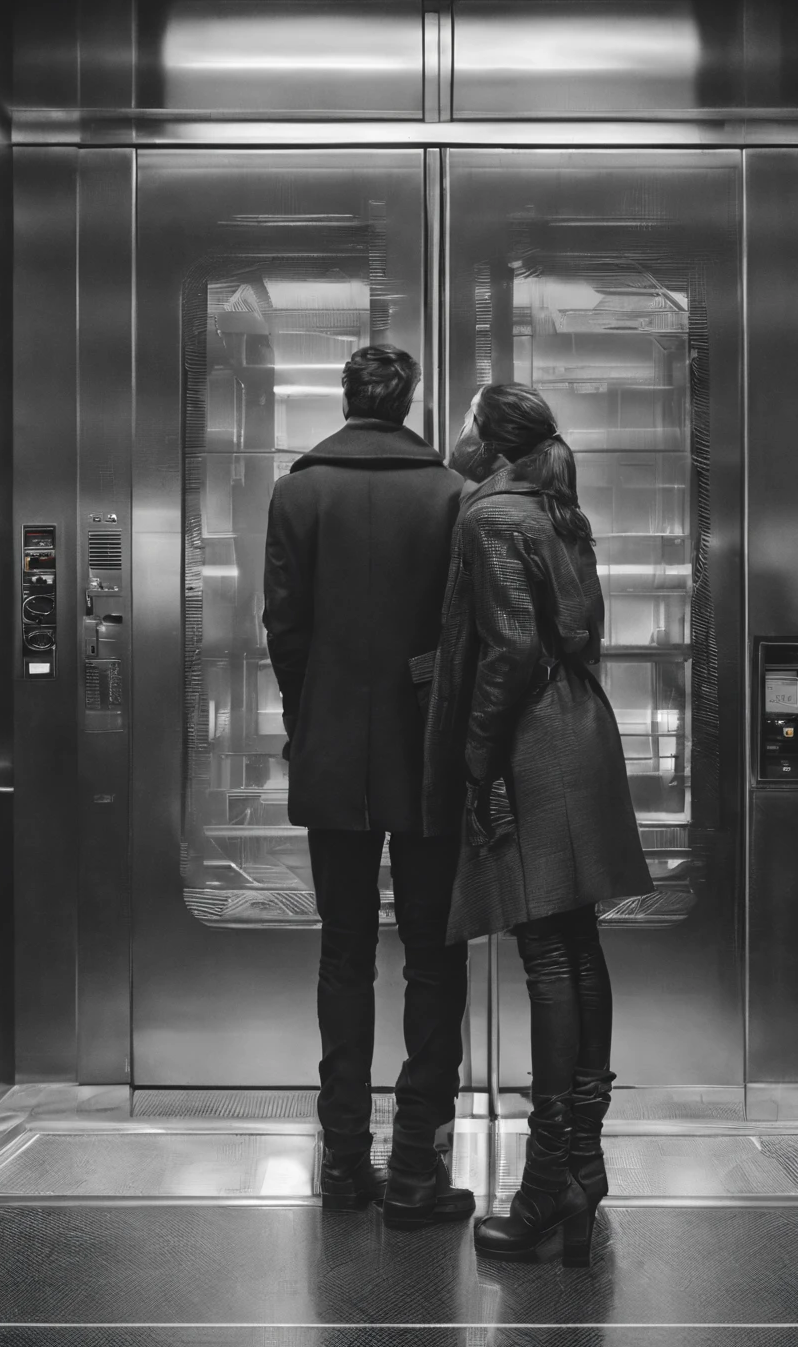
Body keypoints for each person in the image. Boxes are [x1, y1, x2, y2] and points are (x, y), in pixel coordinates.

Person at [423, 383, 654, 1266]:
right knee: (578, 947)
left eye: (467, 419)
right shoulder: (558, 509)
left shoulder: (488, 518)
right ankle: (580, 1171)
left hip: (533, 743)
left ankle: (549, 1179)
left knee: (548, 955)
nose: (455, 434)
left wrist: (478, 757)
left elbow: (510, 649)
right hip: (582, 730)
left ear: (490, 439)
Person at [262, 344, 475, 1228]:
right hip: (429, 752)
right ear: (410, 402)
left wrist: (308, 717)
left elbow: (286, 625)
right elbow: (466, 630)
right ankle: (418, 1162)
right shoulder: (454, 496)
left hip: (333, 750)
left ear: (346, 399)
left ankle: (344, 1158)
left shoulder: (298, 492)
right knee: (433, 954)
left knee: (344, 952)